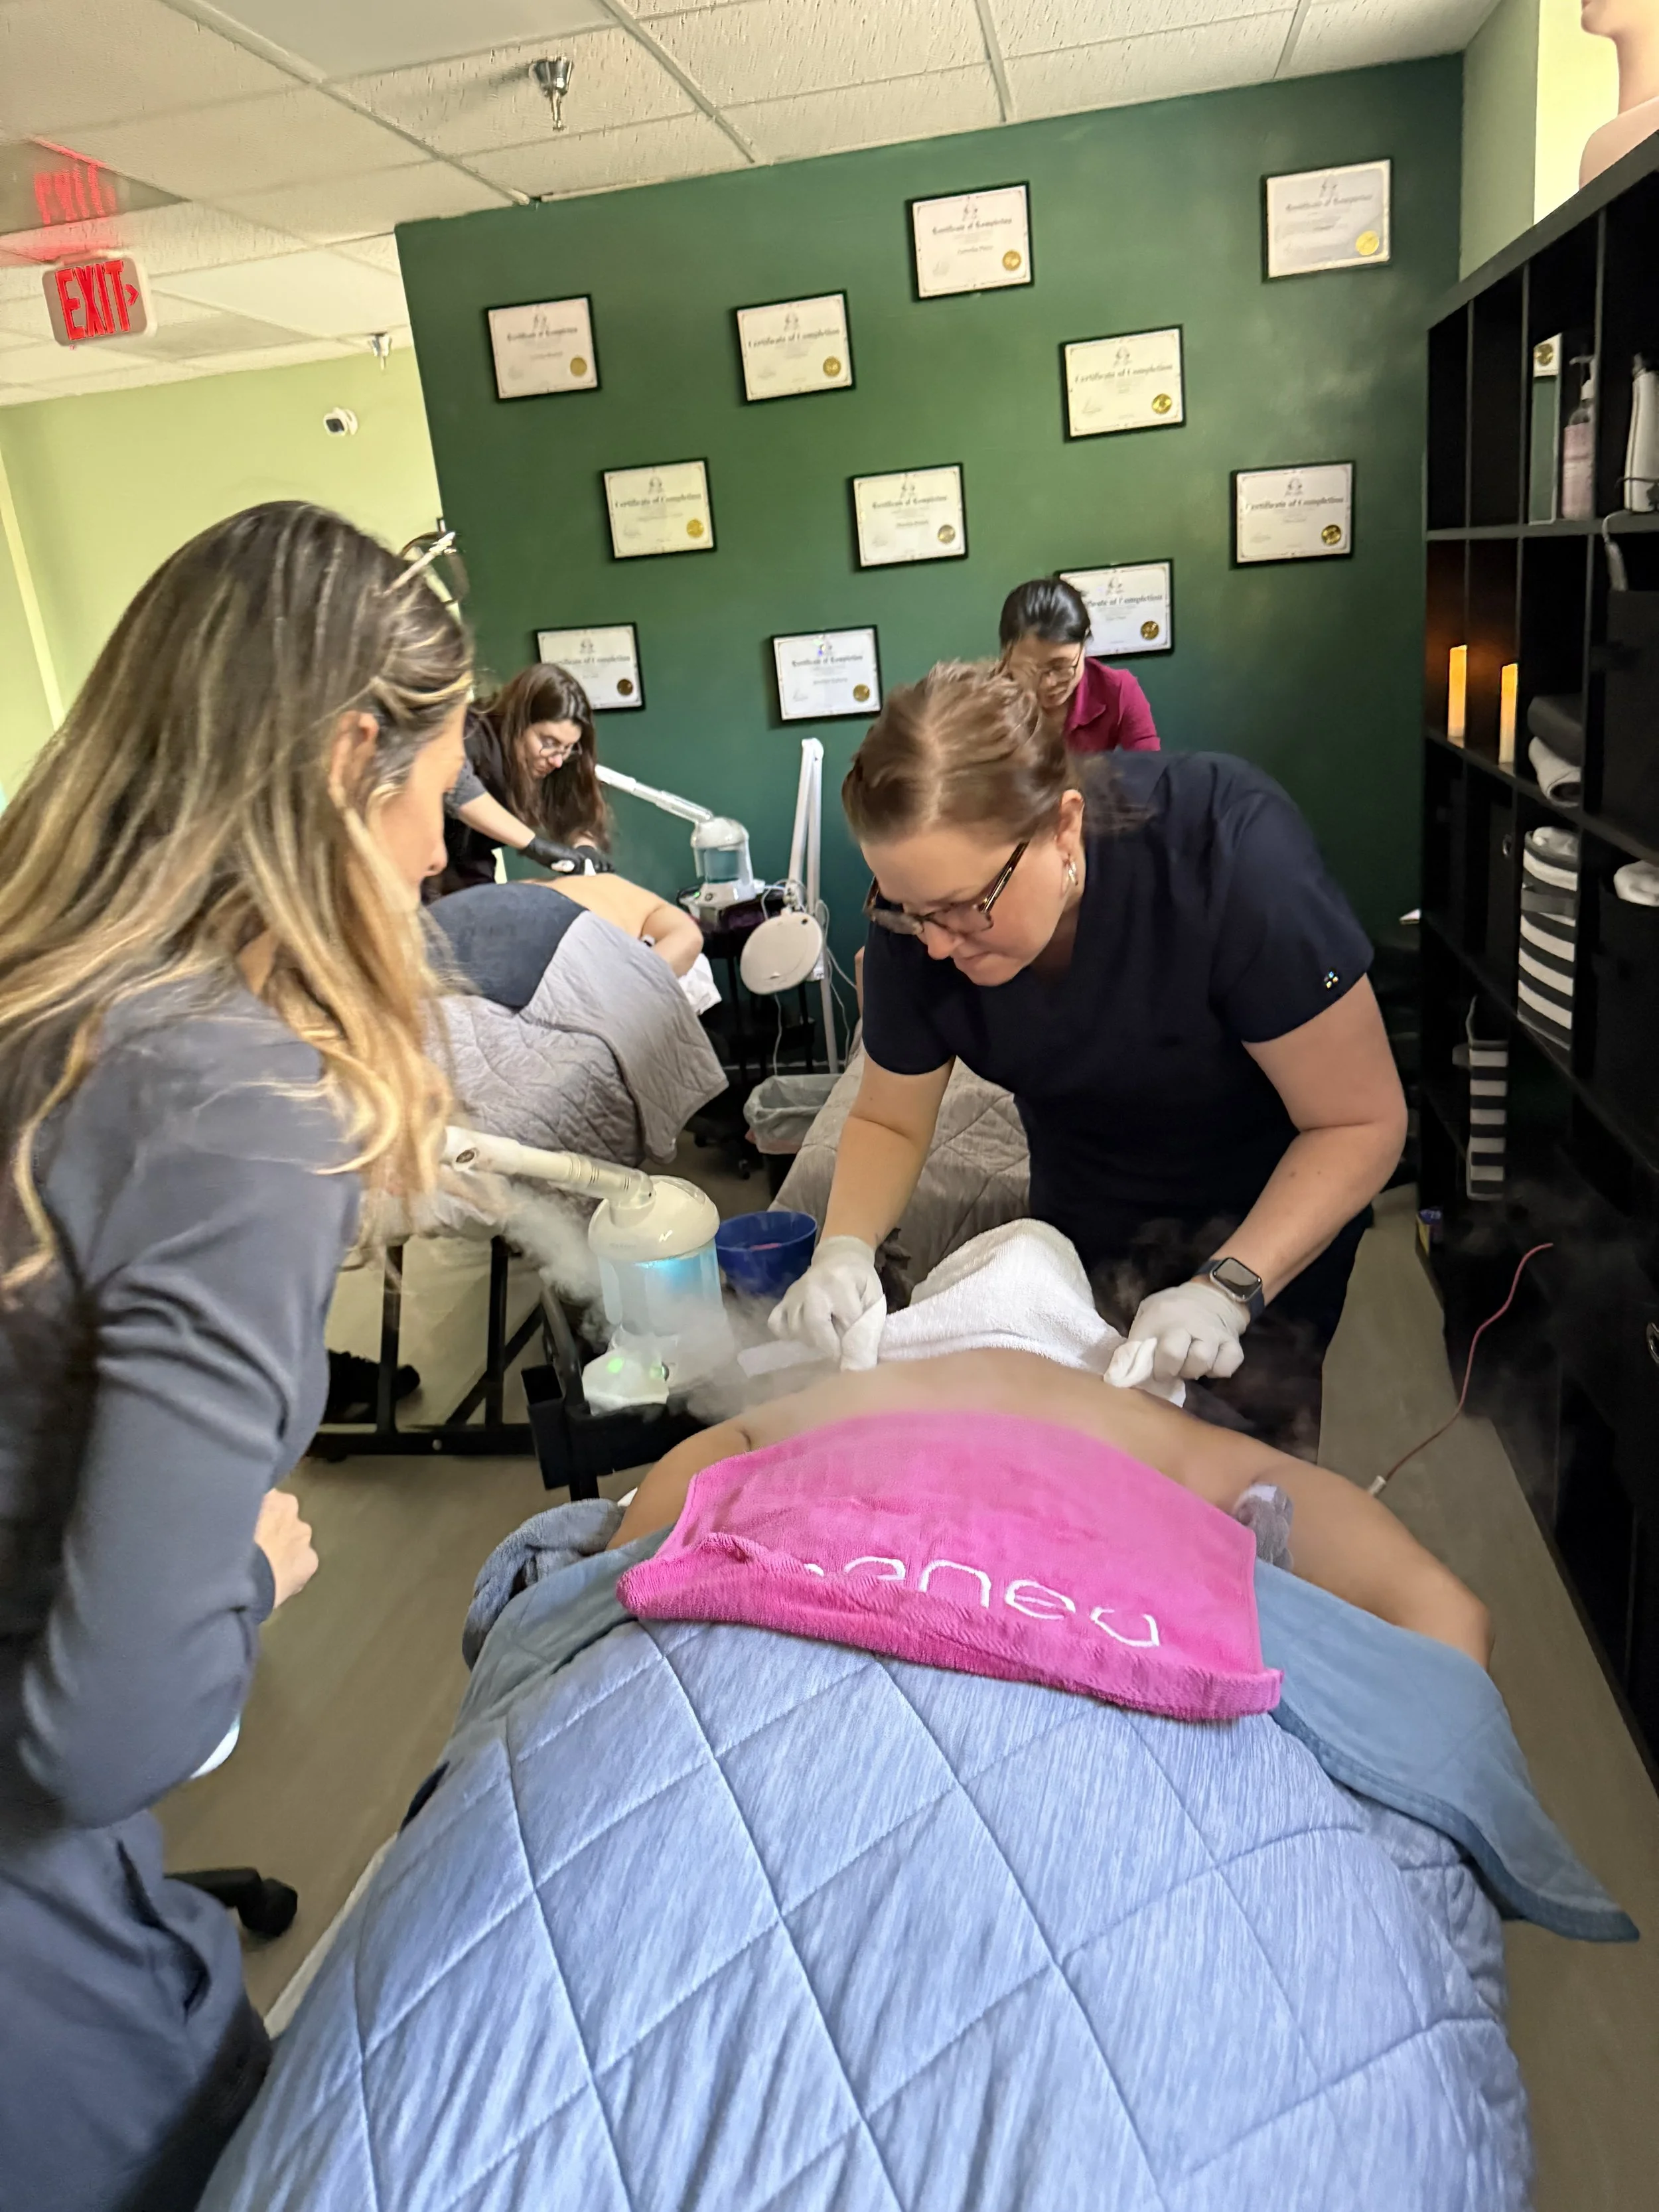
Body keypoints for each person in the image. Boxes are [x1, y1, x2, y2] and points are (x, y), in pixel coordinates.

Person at [0, 500, 472, 2210]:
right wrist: (251, 1579)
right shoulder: (229, 1103)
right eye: (431, 792)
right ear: (354, 753)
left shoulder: (36, 998)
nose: (439, 853)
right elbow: (106, 1733)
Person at [771, 662, 1408, 1454]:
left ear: (1063, 826)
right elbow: (890, 1120)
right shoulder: (920, 919)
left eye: (967, 907)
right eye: (908, 911)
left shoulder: (1227, 854)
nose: (935, 943)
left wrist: (1225, 1289)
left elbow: (1360, 1120)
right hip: (1084, 1198)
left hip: (1267, 1204)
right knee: (1087, 1458)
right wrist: (844, 1248)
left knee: (1232, 1463)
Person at [610, 1347, 1490, 1665]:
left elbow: (702, 1473)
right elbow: (1444, 1614)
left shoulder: (858, 1396)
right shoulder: (1147, 1428)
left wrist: (618, 1578)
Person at [436, 662, 613, 897]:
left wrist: (585, 850)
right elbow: (455, 785)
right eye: (548, 743)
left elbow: (576, 812)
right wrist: (533, 845)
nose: (557, 761)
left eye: (568, 748)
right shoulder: (470, 732)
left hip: (472, 878)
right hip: (417, 873)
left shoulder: (556, 761)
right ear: (518, 721)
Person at [998, 575, 1159, 755]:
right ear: (1006, 655)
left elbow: (1150, 769)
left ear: (1084, 645)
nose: (1048, 683)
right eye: (1031, 670)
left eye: (1061, 667)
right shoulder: (980, 700)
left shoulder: (1117, 690)